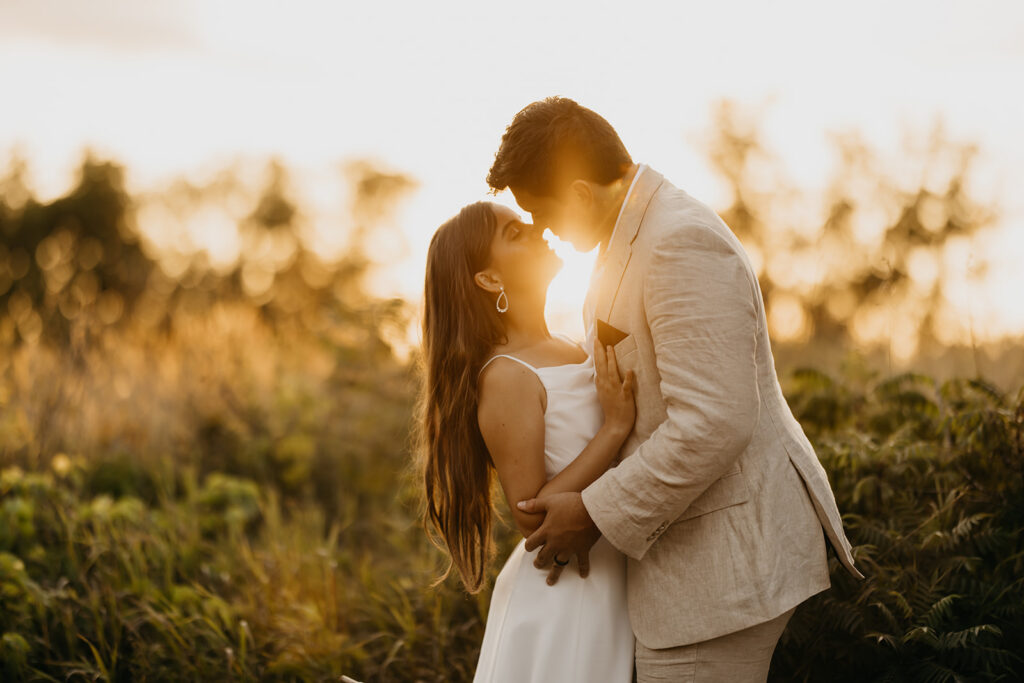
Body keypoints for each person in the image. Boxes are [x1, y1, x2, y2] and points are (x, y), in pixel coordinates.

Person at [488, 97, 864, 682]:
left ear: (582, 193)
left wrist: (593, 511)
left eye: (546, 214)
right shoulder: (627, 241)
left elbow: (716, 419)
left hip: (719, 568)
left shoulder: (676, 242)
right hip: (690, 562)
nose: (549, 233)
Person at [420, 201, 636, 682]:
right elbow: (530, 514)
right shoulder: (505, 376)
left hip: (615, 567)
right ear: (490, 280)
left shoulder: (574, 344)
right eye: (515, 233)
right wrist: (615, 428)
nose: (537, 229)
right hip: (569, 589)